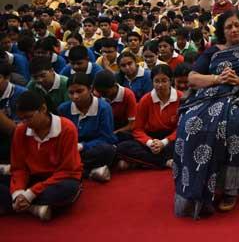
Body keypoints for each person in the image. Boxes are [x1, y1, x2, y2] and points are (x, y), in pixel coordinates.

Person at [174, 10, 239, 217]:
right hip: (211, 95)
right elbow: (192, 78)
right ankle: (197, 181)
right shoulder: (213, 52)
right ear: (222, 31)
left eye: (237, 25)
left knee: (237, 124)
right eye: (228, 27)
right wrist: (218, 79)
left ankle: (231, 188)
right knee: (190, 122)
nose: (234, 30)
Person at [0, 90, 82, 221]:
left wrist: (31, 193)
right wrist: (18, 192)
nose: (25, 122)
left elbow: (67, 170)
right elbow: (19, 168)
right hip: (32, 178)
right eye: (21, 119)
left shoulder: (67, 128)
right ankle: (32, 208)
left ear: (43, 109)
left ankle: (16, 205)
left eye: (28, 117)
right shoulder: (20, 131)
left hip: (58, 179)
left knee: (68, 189)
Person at [116, 64, 180, 170]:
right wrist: (150, 143)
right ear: (152, 82)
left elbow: (181, 128)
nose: (160, 85)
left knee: (184, 143)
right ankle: (164, 162)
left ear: (171, 81)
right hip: (150, 138)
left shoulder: (180, 98)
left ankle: (145, 162)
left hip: (170, 139)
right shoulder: (145, 100)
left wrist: (164, 142)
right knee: (123, 147)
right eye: (156, 81)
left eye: (164, 81)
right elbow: (137, 129)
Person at [58, 73, 117, 182]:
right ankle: (90, 172)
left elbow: (107, 138)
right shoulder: (63, 109)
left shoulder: (103, 108)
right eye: (71, 93)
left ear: (90, 89)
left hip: (92, 149)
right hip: (72, 150)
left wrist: (82, 146)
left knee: (108, 150)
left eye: (79, 91)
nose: (75, 96)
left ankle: (72, 171)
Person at [93, 70, 137, 141]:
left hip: (121, 129)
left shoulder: (127, 95)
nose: (102, 95)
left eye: (105, 92)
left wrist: (113, 133)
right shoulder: (99, 95)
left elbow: (131, 125)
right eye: (99, 92)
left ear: (114, 85)